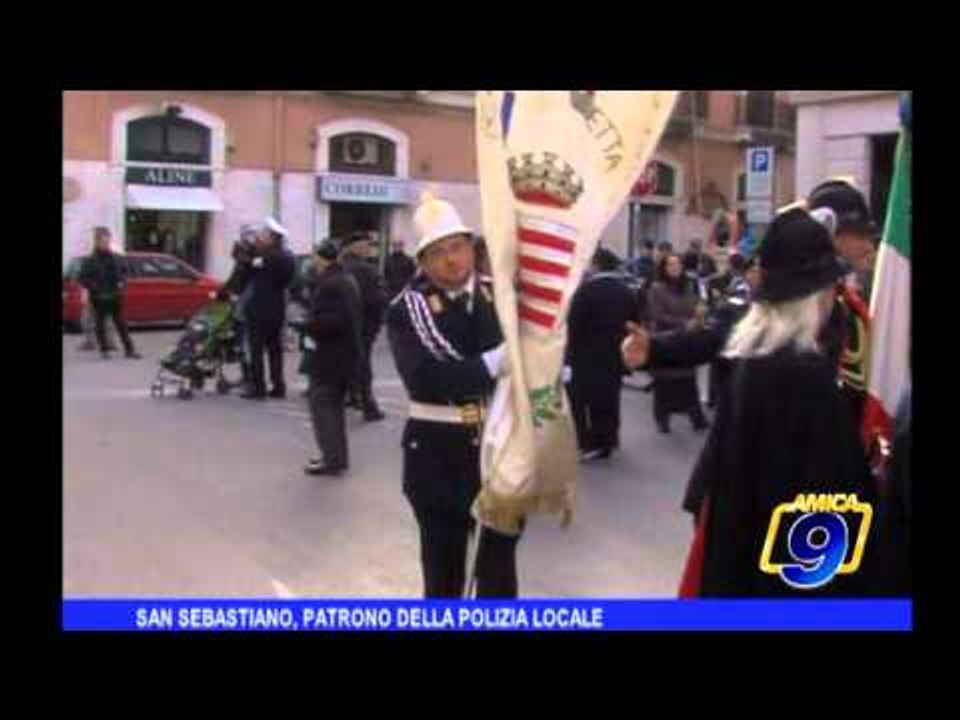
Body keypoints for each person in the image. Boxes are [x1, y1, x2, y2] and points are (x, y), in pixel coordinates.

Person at [673, 207, 878, 596]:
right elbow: (828, 508)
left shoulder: (753, 359)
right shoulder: (807, 377)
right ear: (813, 297)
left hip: (742, 569)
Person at [386, 195, 519, 598]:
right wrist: (493, 363)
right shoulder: (408, 308)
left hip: (501, 453)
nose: (451, 260)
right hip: (439, 456)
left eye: (458, 247)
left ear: (471, 248)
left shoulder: (503, 297)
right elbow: (426, 378)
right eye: (438, 252)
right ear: (423, 263)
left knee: (499, 577)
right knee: (443, 579)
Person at [806, 178, 879, 429]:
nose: (870, 246)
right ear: (828, 233)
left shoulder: (849, 306)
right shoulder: (792, 308)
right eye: (860, 234)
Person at [566, 248, 640, 461]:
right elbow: (635, 322)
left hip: (586, 356)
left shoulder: (586, 291)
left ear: (596, 265)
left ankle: (586, 442)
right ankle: (608, 438)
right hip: (615, 353)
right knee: (609, 397)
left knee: (581, 400)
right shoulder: (627, 292)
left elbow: (574, 325)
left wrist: (568, 352)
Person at [298, 239, 363, 477]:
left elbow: (331, 323)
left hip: (329, 357)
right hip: (343, 355)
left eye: (314, 256)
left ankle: (332, 459)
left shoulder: (331, 284)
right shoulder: (345, 279)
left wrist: (305, 325)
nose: (313, 261)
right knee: (332, 408)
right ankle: (335, 456)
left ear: (320, 257)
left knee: (324, 408)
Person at [646, 252, 709, 433]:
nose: (675, 268)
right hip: (665, 338)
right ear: (664, 268)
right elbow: (657, 315)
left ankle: (697, 419)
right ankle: (662, 419)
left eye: (678, 264)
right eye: (671, 265)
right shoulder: (656, 287)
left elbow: (695, 306)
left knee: (688, 380)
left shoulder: (688, 285)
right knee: (664, 382)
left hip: (685, 339)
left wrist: (699, 313)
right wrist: (683, 323)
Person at [241, 217, 295, 400]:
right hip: (277, 308)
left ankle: (259, 387)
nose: (260, 236)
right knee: (275, 349)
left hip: (259, 309)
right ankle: (278, 386)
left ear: (272, 237)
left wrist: (250, 249)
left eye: (263, 234)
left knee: (256, 349)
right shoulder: (288, 257)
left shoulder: (265, 256)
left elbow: (248, 268)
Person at [341, 232, 387, 421]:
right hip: (363, 323)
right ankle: (369, 406)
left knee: (347, 361)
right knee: (363, 365)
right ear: (356, 247)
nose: (369, 249)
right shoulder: (367, 270)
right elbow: (376, 299)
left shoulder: (341, 266)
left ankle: (352, 396)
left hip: (344, 324)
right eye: (366, 245)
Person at [78, 227, 141, 360]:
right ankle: (104, 350)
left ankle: (129, 350)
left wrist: (122, 283)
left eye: (107, 241)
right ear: (96, 242)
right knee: (100, 324)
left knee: (121, 323)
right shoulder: (90, 260)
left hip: (115, 295)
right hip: (99, 297)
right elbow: (83, 278)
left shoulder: (115, 257)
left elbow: (124, 272)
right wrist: (95, 289)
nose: (105, 244)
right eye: (103, 241)